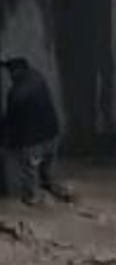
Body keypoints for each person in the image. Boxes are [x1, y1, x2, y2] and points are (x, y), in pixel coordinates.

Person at [1, 58, 67, 205]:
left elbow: (12, 122)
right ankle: (48, 183)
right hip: (51, 132)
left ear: (17, 72)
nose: (10, 76)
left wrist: (6, 141)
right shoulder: (38, 77)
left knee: (31, 168)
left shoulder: (16, 93)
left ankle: (33, 197)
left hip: (33, 140)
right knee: (48, 164)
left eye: (11, 72)